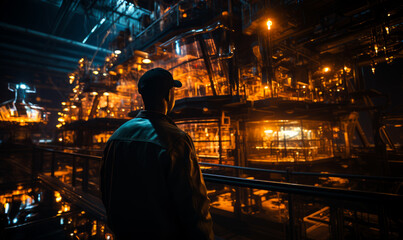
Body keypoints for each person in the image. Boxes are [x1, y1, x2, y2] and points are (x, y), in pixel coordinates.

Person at [100, 68, 214, 240]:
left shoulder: (116, 137)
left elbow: (105, 188)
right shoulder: (176, 139)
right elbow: (193, 203)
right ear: (169, 95)